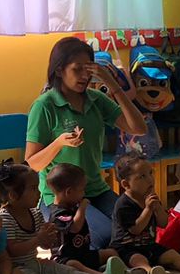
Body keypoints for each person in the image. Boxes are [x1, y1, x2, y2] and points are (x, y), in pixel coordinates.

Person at [24, 37, 148, 250]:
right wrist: (59, 143)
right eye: (77, 69)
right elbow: (32, 164)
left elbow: (138, 128)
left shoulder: (95, 99)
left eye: (88, 69)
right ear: (59, 70)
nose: (84, 76)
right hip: (61, 196)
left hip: (96, 189)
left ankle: (124, 258)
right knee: (104, 237)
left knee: (139, 225)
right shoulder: (44, 105)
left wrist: (113, 84)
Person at [0, 162, 119, 274]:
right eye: (34, 189)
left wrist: (48, 239)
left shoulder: (35, 213)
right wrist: (38, 239)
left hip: (36, 262)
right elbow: (12, 251)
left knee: (66, 271)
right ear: (13, 195)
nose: (39, 193)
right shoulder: (5, 218)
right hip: (17, 269)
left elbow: (44, 246)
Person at [45, 164, 127, 274]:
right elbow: (75, 227)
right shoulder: (58, 214)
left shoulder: (72, 204)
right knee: (74, 265)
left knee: (111, 253)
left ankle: (126, 273)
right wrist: (82, 208)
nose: (84, 193)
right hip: (65, 258)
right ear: (69, 192)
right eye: (82, 190)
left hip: (84, 253)